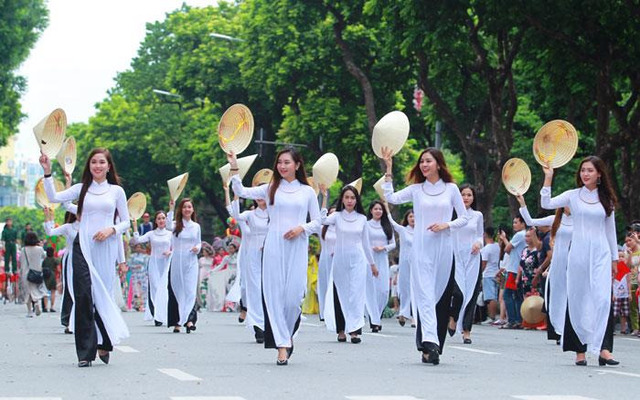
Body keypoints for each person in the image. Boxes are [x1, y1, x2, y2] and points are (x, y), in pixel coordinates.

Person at [227, 147, 321, 366]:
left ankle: (287, 335)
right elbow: (240, 190)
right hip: (273, 246)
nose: (282, 166)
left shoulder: (307, 192)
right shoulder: (270, 189)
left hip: (297, 245)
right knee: (274, 297)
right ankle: (282, 345)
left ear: (297, 165)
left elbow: (317, 221)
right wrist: (234, 165)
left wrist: (301, 228)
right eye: (279, 162)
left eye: (287, 162)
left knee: (293, 298)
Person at [40, 148, 130, 367]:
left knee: (102, 294)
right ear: (89, 166)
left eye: (101, 162)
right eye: (93, 163)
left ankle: (104, 341)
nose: (97, 166)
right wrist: (48, 172)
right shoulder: (81, 189)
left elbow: (126, 222)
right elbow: (53, 197)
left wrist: (111, 230)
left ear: (109, 166)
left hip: (105, 247)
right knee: (83, 296)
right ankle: (85, 352)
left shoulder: (116, 192)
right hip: (83, 247)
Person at [381, 146, 470, 365]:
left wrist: (445, 224)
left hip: (444, 249)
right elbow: (390, 197)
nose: (424, 165)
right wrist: (389, 168)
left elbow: (464, 218)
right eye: (422, 162)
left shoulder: (451, 189)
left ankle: (431, 347)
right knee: (425, 295)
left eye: (428, 161)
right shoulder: (416, 189)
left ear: (438, 164)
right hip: (421, 248)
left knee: (439, 298)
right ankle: (430, 342)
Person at [541, 156, 619, 366]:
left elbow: (610, 232)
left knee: (602, 299)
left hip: (601, 252)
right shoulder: (573, 196)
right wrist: (548, 178)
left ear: (599, 174)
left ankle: (604, 349)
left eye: (590, 170)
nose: (585, 174)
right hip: (578, 253)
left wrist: (615, 258)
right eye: (583, 170)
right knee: (577, 298)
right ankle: (579, 351)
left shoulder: (607, 200)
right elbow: (546, 203)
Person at [320, 185, 377, 344]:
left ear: (356, 200)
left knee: (356, 295)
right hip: (340, 260)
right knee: (340, 293)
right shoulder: (337, 216)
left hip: (358, 260)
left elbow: (366, 243)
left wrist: (372, 264)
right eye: (347, 198)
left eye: (352, 198)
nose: (350, 201)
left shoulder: (362, 219)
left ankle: (354, 331)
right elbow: (322, 220)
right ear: (342, 200)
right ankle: (341, 330)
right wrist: (324, 197)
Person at [517, 194, 571, 342]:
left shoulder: (582, 220)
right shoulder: (555, 220)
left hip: (576, 262)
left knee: (573, 298)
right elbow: (530, 221)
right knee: (558, 296)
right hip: (559, 262)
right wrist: (522, 203)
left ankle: (573, 331)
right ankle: (559, 329)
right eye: (567, 203)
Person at [156, 198, 201, 333]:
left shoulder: (196, 226)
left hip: (191, 261)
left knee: (190, 291)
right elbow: (167, 224)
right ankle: (177, 322)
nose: (187, 209)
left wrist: (197, 249)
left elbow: (199, 242)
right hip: (177, 261)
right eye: (184, 207)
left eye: (189, 207)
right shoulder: (175, 225)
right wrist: (171, 208)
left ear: (193, 210)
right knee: (177, 290)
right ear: (181, 210)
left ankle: (189, 320)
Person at [451, 184, 484, 344]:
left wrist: (479, 243)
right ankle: (453, 317)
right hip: (455, 257)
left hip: (472, 258)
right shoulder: (452, 214)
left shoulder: (477, 215)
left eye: (469, 195)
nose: (466, 198)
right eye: (463, 195)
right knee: (458, 293)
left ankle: (466, 331)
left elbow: (480, 235)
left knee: (471, 295)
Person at [132, 210, 172, 325]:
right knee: (155, 288)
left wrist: (170, 252)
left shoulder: (170, 234)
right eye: (159, 218)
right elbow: (137, 240)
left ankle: (165, 313)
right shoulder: (151, 234)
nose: (161, 220)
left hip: (166, 264)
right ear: (155, 221)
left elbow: (176, 248)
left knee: (164, 288)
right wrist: (135, 226)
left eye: (163, 218)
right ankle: (157, 315)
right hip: (154, 263)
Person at [43, 206, 78, 333]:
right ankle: (69, 321)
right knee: (71, 289)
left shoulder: (89, 225)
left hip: (87, 259)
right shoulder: (69, 227)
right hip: (71, 260)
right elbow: (50, 232)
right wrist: (48, 217)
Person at [366, 200, 396, 333]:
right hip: (369, 260)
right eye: (376, 209)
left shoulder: (386, 226)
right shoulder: (366, 225)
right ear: (371, 210)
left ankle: (377, 315)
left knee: (383, 290)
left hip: (382, 259)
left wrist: (383, 247)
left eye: (380, 209)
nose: (378, 211)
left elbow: (393, 244)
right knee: (371, 289)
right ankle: (374, 319)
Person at [498, 215, 527, 329]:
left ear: (523, 223)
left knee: (507, 295)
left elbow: (507, 249)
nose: (514, 225)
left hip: (513, 269)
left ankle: (512, 319)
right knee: (518, 295)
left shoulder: (519, 235)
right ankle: (519, 319)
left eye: (516, 222)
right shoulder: (525, 235)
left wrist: (504, 239)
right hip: (518, 268)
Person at [20, 232, 48, 317]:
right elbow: (44, 256)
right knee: (36, 290)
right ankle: (36, 302)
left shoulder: (23, 250)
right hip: (37, 273)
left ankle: (29, 312)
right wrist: (40, 246)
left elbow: (21, 263)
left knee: (28, 292)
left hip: (26, 274)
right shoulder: (39, 249)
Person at [317, 207, 337, 322]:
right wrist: (323, 198)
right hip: (325, 259)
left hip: (338, 259)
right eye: (331, 213)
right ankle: (323, 312)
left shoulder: (342, 229)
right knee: (324, 284)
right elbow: (318, 219)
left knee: (335, 285)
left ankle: (335, 311)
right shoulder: (322, 229)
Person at [480, 227, 500, 323]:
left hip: (488, 274)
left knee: (490, 297)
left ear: (485, 234)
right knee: (494, 295)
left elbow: (483, 264)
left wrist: (479, 274)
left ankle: (491, 317)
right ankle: (493, 316)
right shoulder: (497, 246)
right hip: (496, 272)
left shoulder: (486, 249)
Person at [625, 233, 640, 335]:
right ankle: (635, 327)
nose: (628, 243)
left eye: (630, 240)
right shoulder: (627, 253)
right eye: (626, 241)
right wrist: (630, 255)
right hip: (632, 281)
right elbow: (627, 267)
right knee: (633, 306)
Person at [614, 251, 631, 334]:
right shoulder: (614, 268)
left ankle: (623, 329)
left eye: (622, 256)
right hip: (616, 294)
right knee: (614, 312)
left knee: (624, 313)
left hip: (625, 293)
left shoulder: (626, 270)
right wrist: (613, 293)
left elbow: (628, 282)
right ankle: (611, 328)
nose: (621, 258)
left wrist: (630, 293)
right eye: (619, 256)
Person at [2, 217, 19, 301]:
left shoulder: (14, 230)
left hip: (13, 244)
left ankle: (14, 269)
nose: (9, 222)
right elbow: (3, 240)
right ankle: (6, 269)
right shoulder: (5, 231)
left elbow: (16, 239)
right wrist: (3, 246)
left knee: (14, 258)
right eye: (8, 221)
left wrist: (17, 245)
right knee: (7, 257)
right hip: (7, 244)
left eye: (10, 221)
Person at [41, 246, 59, 312]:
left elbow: (41, 268)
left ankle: (45, 307)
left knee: (45, 292)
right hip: (52, 276)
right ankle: (52, 307)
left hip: (45, 276)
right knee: (53, 292)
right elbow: (58, 269)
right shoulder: (55, 260)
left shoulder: (45, 260)